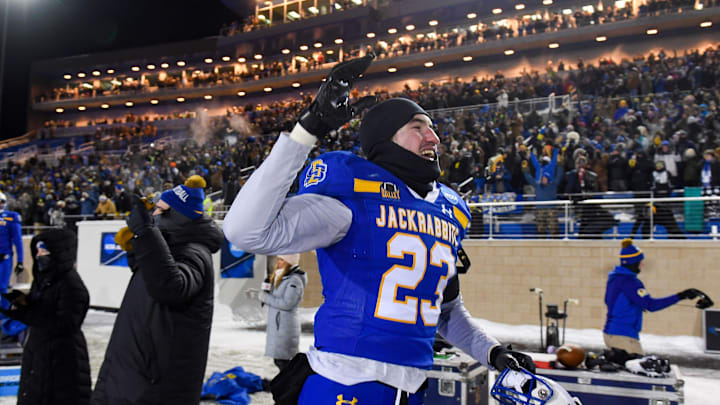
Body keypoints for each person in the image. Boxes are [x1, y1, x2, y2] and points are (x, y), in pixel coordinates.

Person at [224, 55, 533, 404]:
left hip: (411, 390)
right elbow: (244, 230)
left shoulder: (447, 212)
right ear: (385, 138)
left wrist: (492, 353)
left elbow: (446, 312)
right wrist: (307, 130)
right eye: (417, 127)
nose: (433, 137)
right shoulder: (353, 196)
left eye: (431, 127)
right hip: (345, 385)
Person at [92, 175, 224, 405]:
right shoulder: (170, 247)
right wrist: (138, 243)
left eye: (160, 210)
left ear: (178, 216)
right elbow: (152, 277)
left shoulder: (195, 253)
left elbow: (171, 287)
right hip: (130, 372)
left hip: (152, 384)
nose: (154, 215)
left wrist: (146, 233)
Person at [0, 229, 91, 405]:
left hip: (61, 360)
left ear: (59, 252)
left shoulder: (72, 286)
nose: (39, 255)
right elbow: (43, 309)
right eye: (38, 251)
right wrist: (23, 302)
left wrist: (26, 314)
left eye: (44, 251)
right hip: (39, 354)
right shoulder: (44, 281)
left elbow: (65, 325)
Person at [603, 239, 701, 355]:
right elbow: (651, 305)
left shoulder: (614, 279)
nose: (642, 265)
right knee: (641, 368)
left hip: (610, 334)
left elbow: (610, 301)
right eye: (640, 262)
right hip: (623, 337)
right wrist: (680, 296)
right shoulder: (631, 282)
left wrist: (636, 306)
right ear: (633, 262)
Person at [259, 254, 307, 371]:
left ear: (289, 262)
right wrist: (266, 289)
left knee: (283, 362)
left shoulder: (294, 280)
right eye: (279, 259)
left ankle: (288, 387)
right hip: (278, 326)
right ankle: (285, 386)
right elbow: (275, 297)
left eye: (282, 260)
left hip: (285, 327)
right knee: (280, 361)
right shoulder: (281, 276)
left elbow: (287, 304)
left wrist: (265, 297)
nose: (278, 262)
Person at [0, 191, 25, 337]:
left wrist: (20, 260)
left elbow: (18, 240)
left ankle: (4, 318)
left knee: (2, 288)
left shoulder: (11, 216)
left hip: (4, 257)